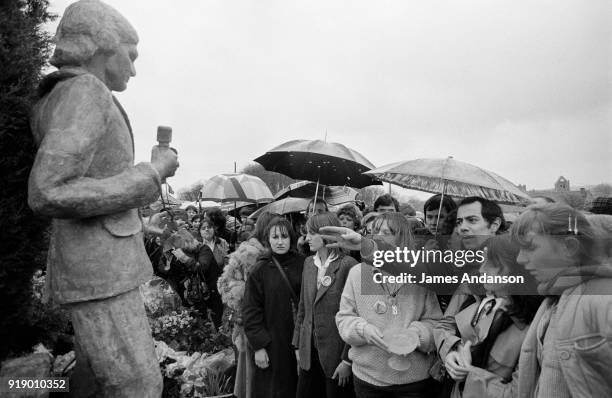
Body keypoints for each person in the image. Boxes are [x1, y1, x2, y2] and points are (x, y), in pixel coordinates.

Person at [27, 1, 178, 396]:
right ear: (104, 45)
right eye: (131, 55)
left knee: (92, 383)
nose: (133, 68)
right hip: (101, 274)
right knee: (141, 386)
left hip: (93, 266)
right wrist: (153, 172)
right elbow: (47, 190)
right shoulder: (85, 92)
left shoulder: (65, 93)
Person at [461, 204, 612, 397]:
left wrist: (470, 373)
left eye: (530, 248)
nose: (521, 260)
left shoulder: (600, 299)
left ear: (569, 247)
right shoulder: (552, 301)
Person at [335, 213, 442, 398]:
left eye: (387, 231)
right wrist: (363, 330)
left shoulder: (419, 276)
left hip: (413, 382)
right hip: (368, 379)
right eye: (375, 230)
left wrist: (416, 334)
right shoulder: (358, 273)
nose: (378, 235)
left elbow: (435, 324)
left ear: (403, 238)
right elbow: (344, 319)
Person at [433, 235, 543, 398]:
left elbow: (520, 391)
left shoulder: (534, 323)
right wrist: (452, 351)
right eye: (481, 262)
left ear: (516, 270)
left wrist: (470, 375)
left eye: (491, 264)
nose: (482, 269)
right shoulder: (475, 292)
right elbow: (445, 325)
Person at [294, 213, 358, 398]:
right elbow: (303, 308)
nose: (306, 239)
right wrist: (298, 346)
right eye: (306, 233)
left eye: (311, 234)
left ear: (327, 235)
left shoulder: (349, 264)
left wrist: (347, 360)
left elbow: (357, 315)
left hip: (335, 354)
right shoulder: (308, 263)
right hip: (309, 353)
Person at [218, 212, 280, 398]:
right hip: (253, 323)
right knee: (254, 373)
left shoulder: (265, 251)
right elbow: (225, 285)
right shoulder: (253, 254)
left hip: (258, 322)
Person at [243, 218, 306, 398]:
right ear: (267, 239)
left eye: (284, 236)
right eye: (275, 237)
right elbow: (251, 310)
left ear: (291, 238)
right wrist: (259, 347)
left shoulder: (304, 264)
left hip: (300, 340)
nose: (280, 241)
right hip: (273, 343)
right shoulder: (259, 270)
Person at [192, 216, 226, 328]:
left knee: (221, 311)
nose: (207, 229)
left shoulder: (222, 242)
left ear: (213, 229)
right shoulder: (197, 246)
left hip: (221, 281)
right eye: (203, 228)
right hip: (205, 284)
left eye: (209, 227)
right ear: (199, 231)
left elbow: (227, 260)